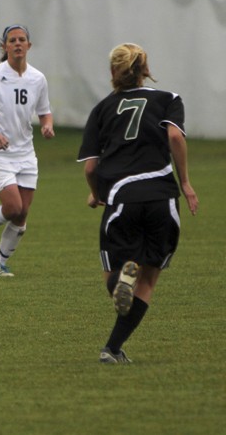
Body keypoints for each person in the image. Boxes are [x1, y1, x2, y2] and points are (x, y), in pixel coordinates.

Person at [78, 43, 198, 364]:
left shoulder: (102, 109)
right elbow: (174, 137)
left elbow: (91, 166)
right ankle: (112, 349)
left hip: (121, 198)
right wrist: (185, 182)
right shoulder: (167, 100)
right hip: (161, 198)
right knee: (148, 279)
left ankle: (121, 281)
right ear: (145, 70)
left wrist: (97, 192)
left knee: (114, 278)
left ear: (112, 72)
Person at [0, 24, 54, 276]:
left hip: (26, 153)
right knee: (13, 207)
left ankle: (0, 262)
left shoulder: (38, 78)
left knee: (22, 214)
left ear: (29, 45)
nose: (17, 44)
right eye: (12, 40)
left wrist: (47, 125)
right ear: (5, 46)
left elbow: (45, 111)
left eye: (21, 39)